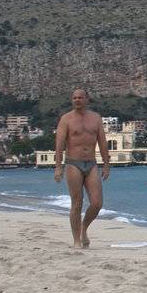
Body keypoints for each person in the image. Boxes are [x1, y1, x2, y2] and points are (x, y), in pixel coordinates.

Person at [54, 87, 110, 248]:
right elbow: (59, 145)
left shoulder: (96, 118)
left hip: (92, 164)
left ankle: (84, 228)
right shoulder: (66, 119)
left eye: (80, 97)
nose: (77, 100)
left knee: (97, 203)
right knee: (77, 203)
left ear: (87, 99)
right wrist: (58, 167)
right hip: (73, 163)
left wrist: (106, 165)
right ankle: (76, 241)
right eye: (74, 98)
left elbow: (103, 142)